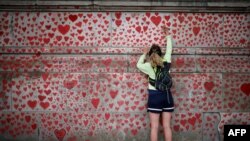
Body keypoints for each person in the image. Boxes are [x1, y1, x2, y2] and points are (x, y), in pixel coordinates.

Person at [136, 26, 174, 141]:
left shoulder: (148, 66)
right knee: (167, 126)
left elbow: (138, 65)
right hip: (167, 96)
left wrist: (143, 54)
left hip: (154, 97)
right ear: (161, 53)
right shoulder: (166, 61)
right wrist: (167, 36)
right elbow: (169, 50)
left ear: (150, 54)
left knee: (154, 127)